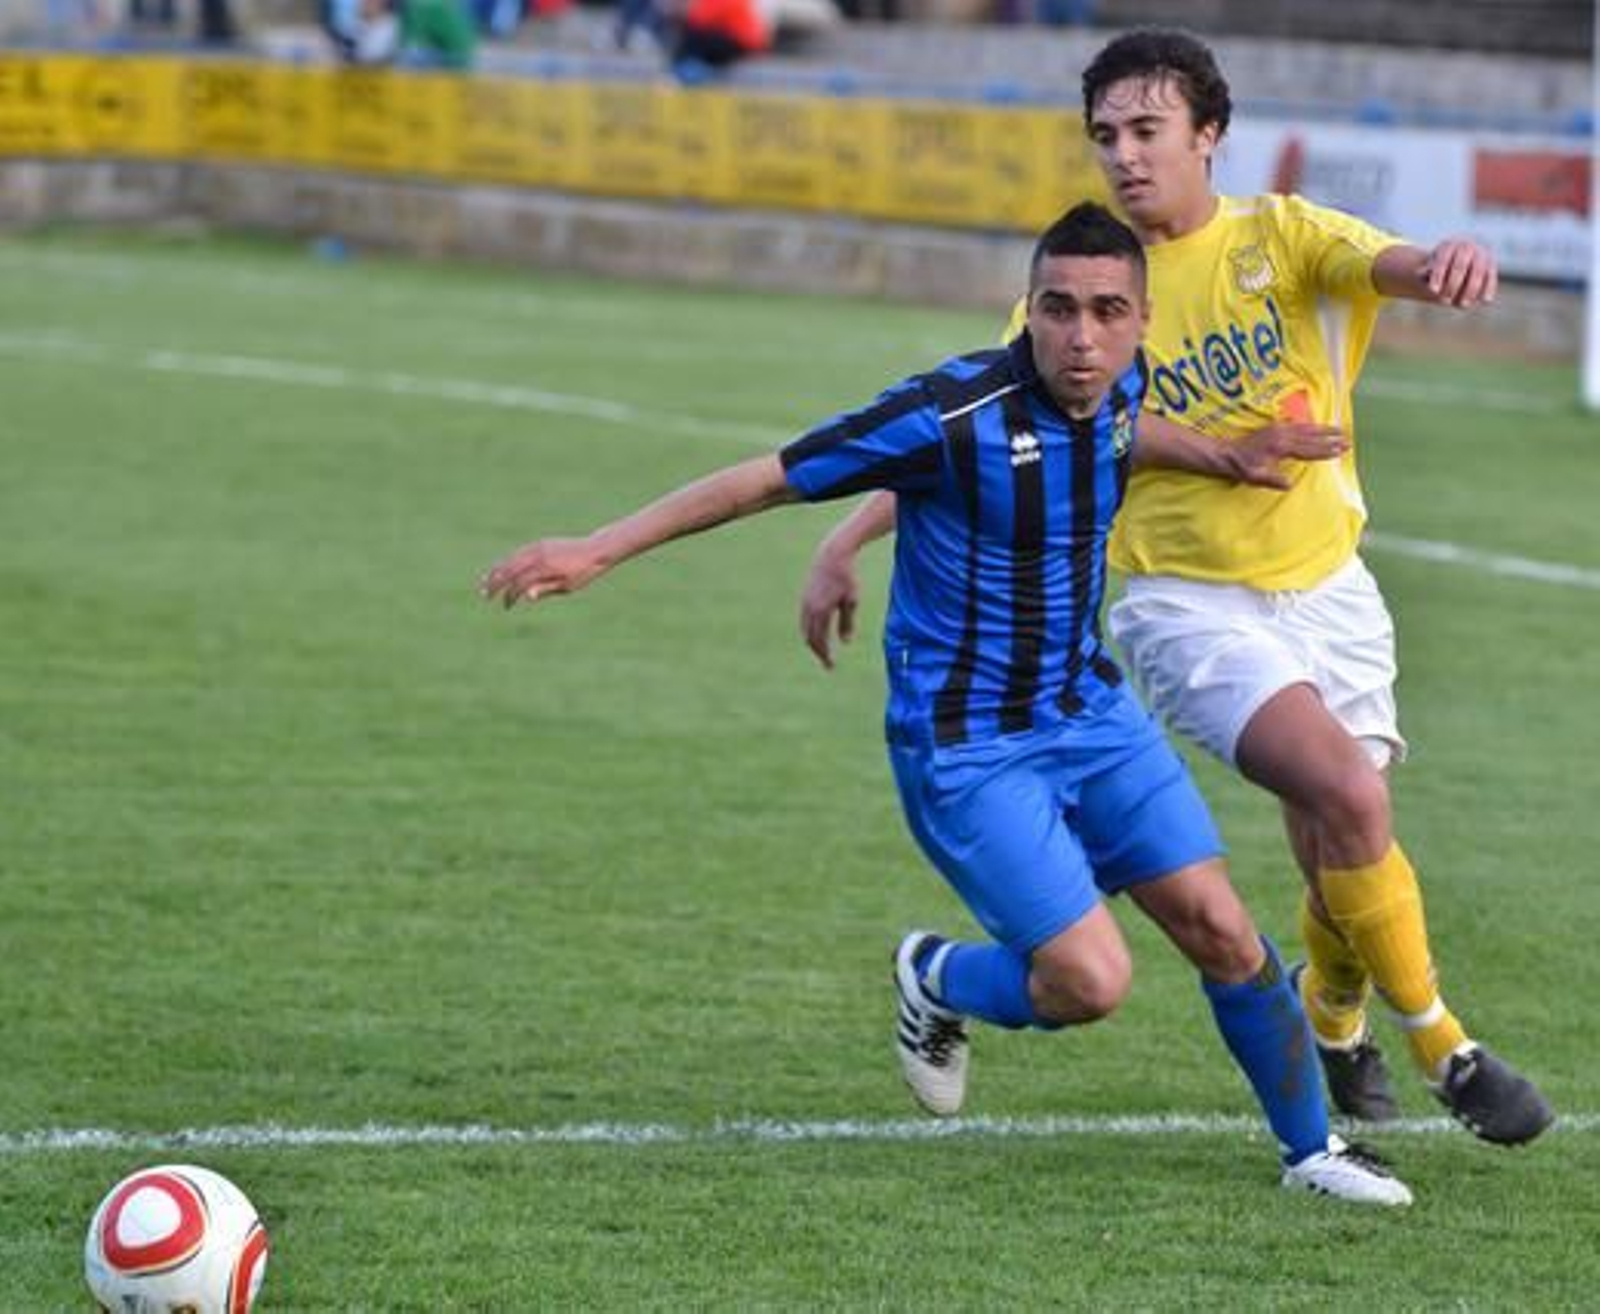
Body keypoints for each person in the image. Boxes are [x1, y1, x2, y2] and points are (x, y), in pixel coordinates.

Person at [482, 202, 1411, 1205]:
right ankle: (935, 977)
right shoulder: (950, 412)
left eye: (1107, 312)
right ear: (1030, 313)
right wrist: (598, 549)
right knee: (1090, 984)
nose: (1082, 336)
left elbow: (1121, 434)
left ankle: (1311, 1154)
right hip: (969, 748)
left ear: (1142, 321)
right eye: (1058, 310)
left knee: (1224, 931)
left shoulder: (1119, 386)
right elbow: (767, 479)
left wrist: (1227, 455)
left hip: (1089, 714)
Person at [798, 30, 1554, 1146]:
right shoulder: (1084, 297)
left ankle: (1332, 1012)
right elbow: (969, 443)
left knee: (1340, 830)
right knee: (1347, 798)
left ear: (1209, 135)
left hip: (1327, 584)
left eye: (1147, 131)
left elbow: (1386, 265)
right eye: (1105, 136)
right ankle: (1445, 1047)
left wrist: (1446, 262)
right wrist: (848, 536)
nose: (1124, 156)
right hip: (1184, 603)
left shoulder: (1281, 238)